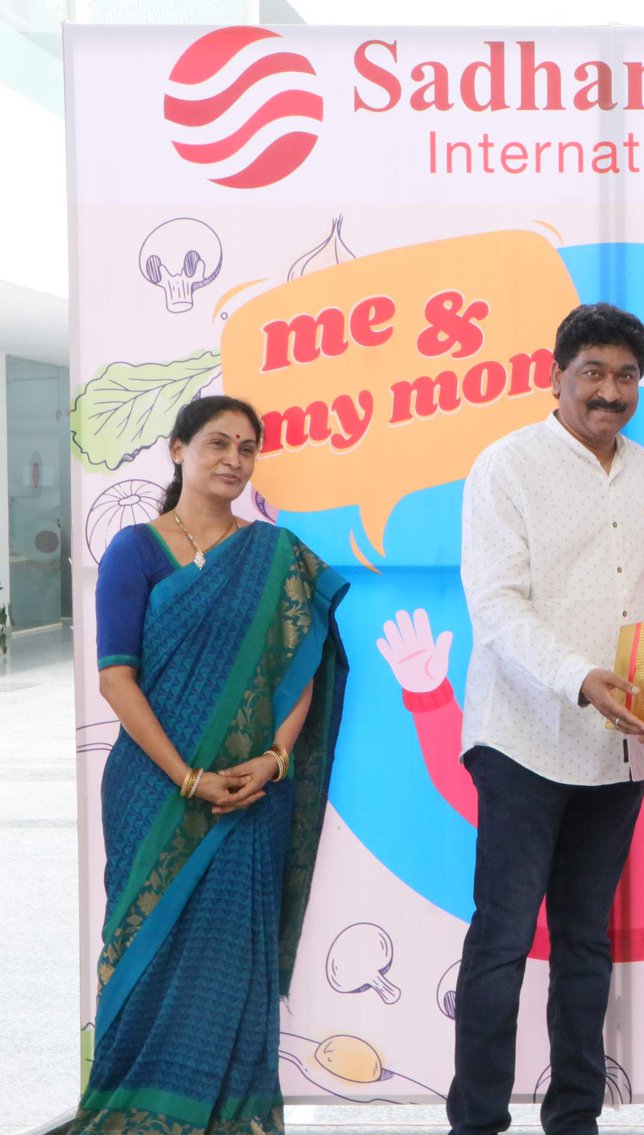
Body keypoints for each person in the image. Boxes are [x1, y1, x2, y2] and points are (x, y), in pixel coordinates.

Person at [69, 395, 348, 1135]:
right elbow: (116, 678)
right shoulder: (134, 549)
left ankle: (229, 1118)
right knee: (144, 951)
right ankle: (130, 1113)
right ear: (178, 449)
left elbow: (300, 667)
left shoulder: (277, 556)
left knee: (230, 960)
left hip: (253, 795)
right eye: (218, 443)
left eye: (247, 448)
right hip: (153, 790)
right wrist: (187, 777)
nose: (234, 459)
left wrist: (275, 760)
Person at [448, 303, 644, 1135]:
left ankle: (576, 1116)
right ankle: (477, 1120)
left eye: (626, 376)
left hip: (618, 750)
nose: (609, 391)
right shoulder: (506, 467)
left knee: (586, 941)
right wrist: (581, 678)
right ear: (554, 376)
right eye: (592, 372)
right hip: (521, 737)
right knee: (504, 936)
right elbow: (496, 605)